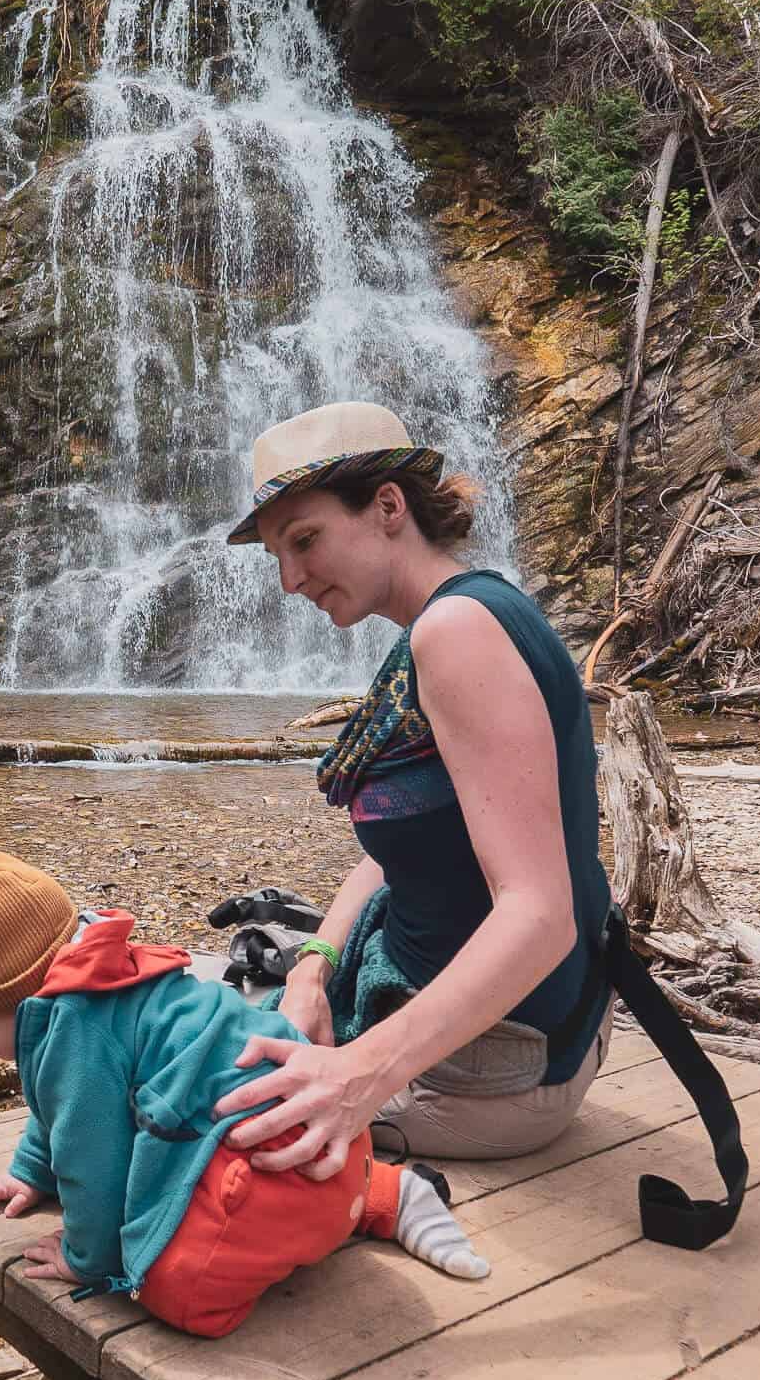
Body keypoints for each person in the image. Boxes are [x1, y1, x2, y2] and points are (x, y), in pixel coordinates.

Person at [213, 400, 617, 1179]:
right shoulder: (466, 613)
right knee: (196, 1014)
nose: (292, 580)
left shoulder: (455, 633)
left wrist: (354, 1077)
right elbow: (406, 854)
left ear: (389, 507)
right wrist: (313, 967)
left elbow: (540, 915)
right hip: (522, 1039)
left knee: (167, 1080)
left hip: (490, 1072)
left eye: (304, 540)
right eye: (277, 557)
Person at [0, 851, 488, 1341]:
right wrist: (27, 1173)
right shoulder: (102, 975)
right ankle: (388, 1194)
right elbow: (59, 1111)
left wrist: (86, 1259)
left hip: (264, 1169)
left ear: (23, 997)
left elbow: (89, 1157)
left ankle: (299, 1234)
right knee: (296, 1183)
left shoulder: (72, 1028)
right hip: (334, 1141)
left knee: (175, 1292)